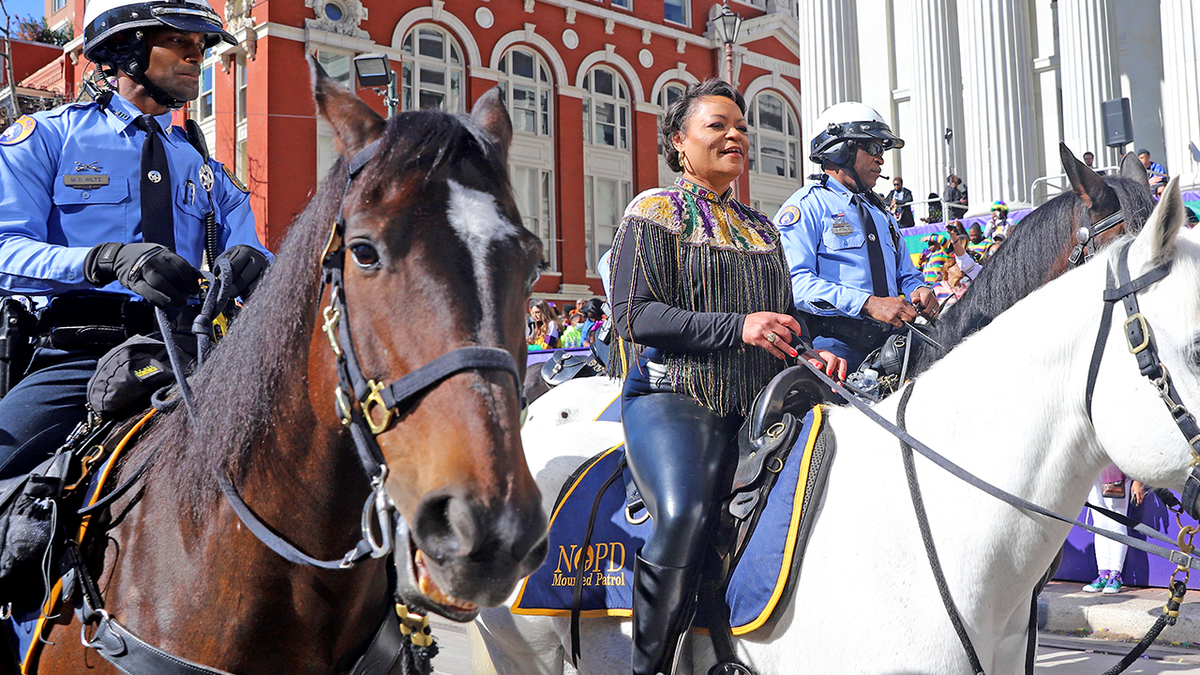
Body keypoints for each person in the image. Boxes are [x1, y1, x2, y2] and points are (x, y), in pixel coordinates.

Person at [609, 78, 845, 675]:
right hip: (672, 396)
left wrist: (808, 353)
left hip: (758, 404)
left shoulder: (764, 231)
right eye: (718, 124)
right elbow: (634, 316)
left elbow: (781, 324)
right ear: (678, 142)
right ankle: (650, 667)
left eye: (742, 126)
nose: (736, 134)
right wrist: (738, 326)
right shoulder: (652, 211)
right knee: (687, 512)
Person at [0, 0, 269, 480]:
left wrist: (257, 263)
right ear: (125, 48)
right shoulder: (47, 138)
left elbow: (253, 251)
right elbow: (4, 251)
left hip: (193, 352)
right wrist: (103, 260)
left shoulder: (209, 172)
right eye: (179, 41)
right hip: (80, 355)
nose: (197, 56)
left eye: (202, 45)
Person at [773, 101, 937, 369]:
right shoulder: (805, 207)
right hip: (833, 351)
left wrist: (918, 289)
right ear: (840, 150)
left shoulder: (882, 213)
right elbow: (795, 285)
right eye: (873, 147)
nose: (881, 158)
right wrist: (867, 304)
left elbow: (906, 274)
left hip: (893, 345)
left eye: (882, 149)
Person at [1082, 467, 1145, 594]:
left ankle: (1115, 575)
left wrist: (1139, 480)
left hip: (1116, 470)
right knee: (1099, 526)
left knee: (1117, 524)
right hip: (1094, 471)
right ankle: (1104, 574)